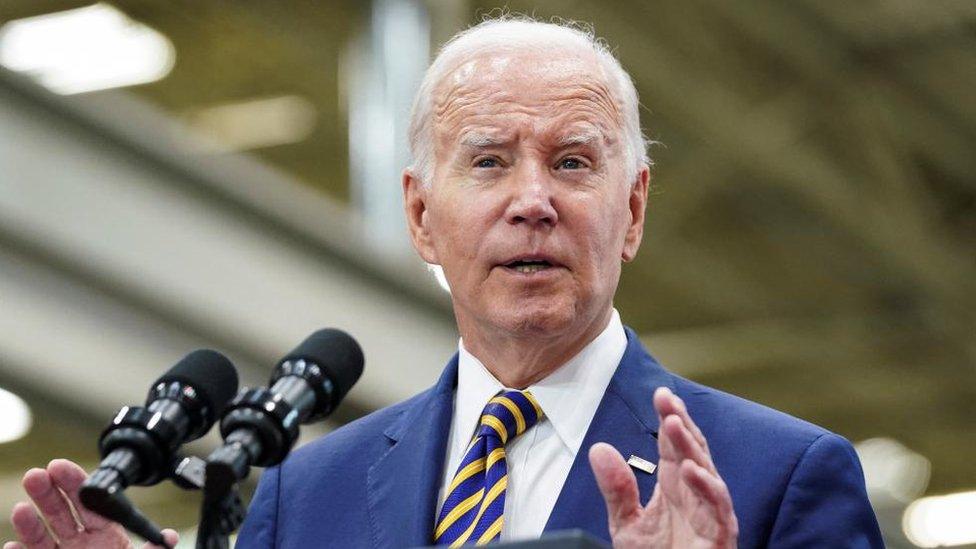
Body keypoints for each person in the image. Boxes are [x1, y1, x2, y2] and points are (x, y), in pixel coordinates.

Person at [5, 16, 883, 549]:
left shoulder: (779, 475)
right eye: (490, 161)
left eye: (573, 162)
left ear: (636, 210)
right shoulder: (302, 497)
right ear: (422, 215)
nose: (532, 200)